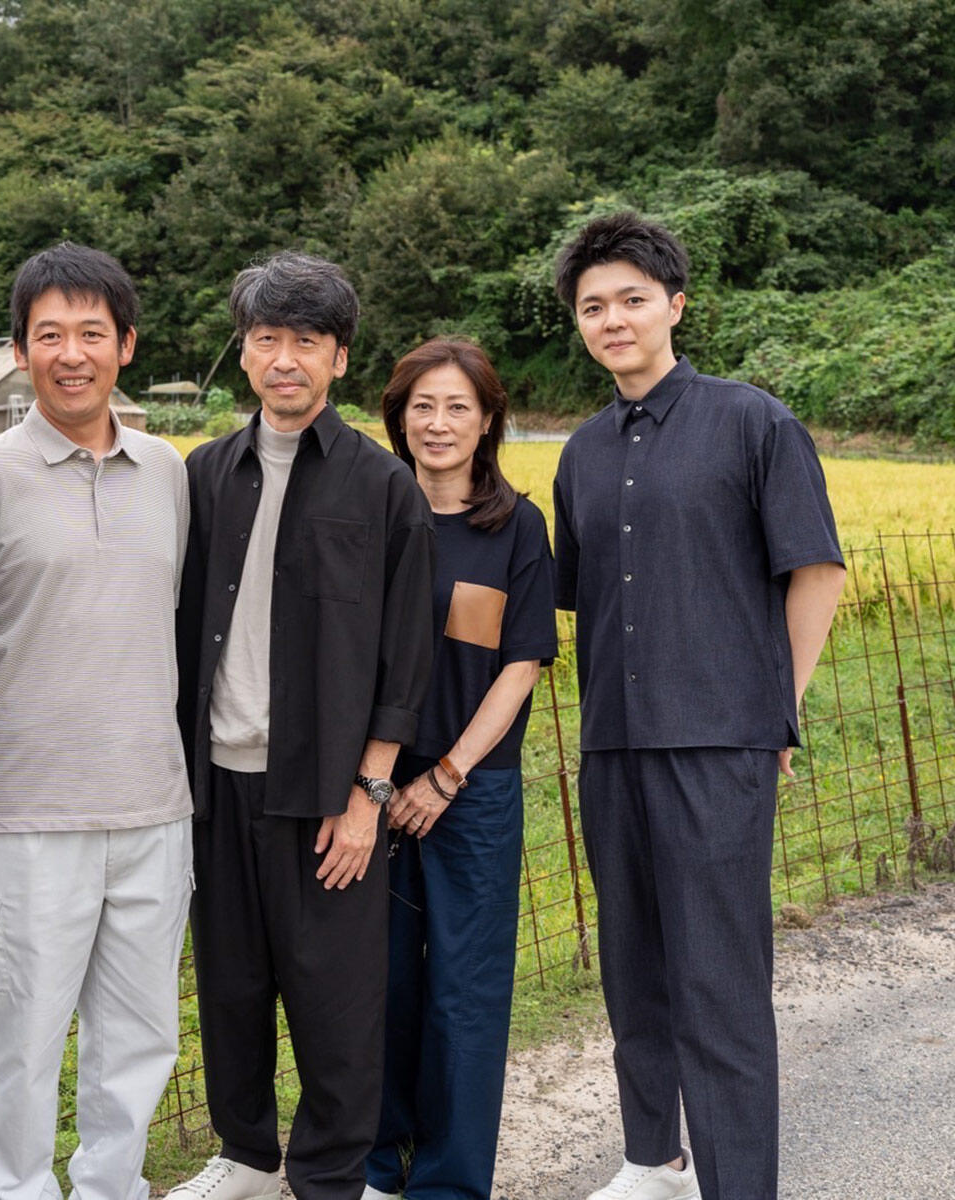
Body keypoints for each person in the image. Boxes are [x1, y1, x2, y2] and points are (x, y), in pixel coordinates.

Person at [550, 212, 846, 1200]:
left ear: (675, 304)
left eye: (632, 299)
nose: (614, 319)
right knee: (633, 967)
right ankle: (653, 1161)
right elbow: (578, 597)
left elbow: (815, 573)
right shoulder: (582, 452)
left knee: (718, 986)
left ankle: (737, 1186)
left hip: (720, 744)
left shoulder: (752, 421)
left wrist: (779, 711)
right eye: (594, 306)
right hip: (613, 747)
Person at [168, 252, 437, 1200]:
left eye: (306, 342)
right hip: (215, 782)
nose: (285, 359)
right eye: (267, 340)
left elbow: (406, 659)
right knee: (231, 988)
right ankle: (245, 1156)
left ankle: (329, 1175)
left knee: (336, 999)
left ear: (339, 360)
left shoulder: (382, 488)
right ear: (244, 355)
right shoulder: (200, 474)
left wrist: (369, 794)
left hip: (328, 791)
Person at [0, 242, 192, 1200]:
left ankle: (113, 1188)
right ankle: (12, 1192)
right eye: (49, 334)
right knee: (20, 1040)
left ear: (125, 345)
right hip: (23, 817)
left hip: (152, 808)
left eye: (93, 332)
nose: (72, 352)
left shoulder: (170, 471)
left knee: (140, 1039)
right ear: (19, 351)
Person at [362, 338, 558, 1200]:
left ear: (487, 422)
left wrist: (446, 775)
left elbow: (521, 662)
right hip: (369, 788)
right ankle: (373, 1163)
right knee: (378, 983)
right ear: (399, 419)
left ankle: (448, 1182)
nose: (438, 424)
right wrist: (377, 781)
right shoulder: (371, 510)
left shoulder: (517, 525)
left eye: (458, 408)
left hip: (471, 790)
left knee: (465, 992)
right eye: (422, 407)